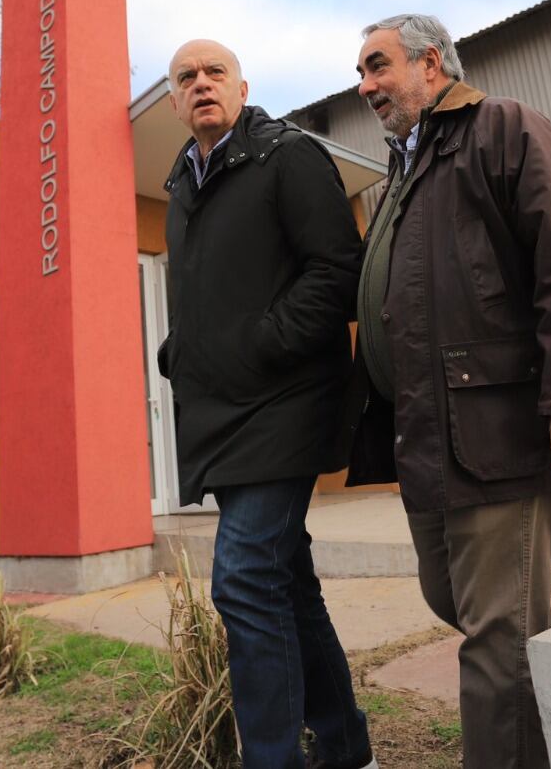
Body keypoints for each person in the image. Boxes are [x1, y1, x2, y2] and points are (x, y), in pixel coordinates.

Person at [347, 13, 551, 767]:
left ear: (431, 64)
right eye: (361, 72)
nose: (365, 86)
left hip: (496, 432)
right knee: (460, 603)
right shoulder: (404, 171)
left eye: (378, 66)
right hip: (427, 437)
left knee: (500, 637)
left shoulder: (501, 129)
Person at [158, 39, 376, 769]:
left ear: (242, 88)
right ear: (174, 102)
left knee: (246, 578)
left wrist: (261, 343)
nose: (201, 84)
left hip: (287, 400)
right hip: (222, 412)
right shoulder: (181, 187)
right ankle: (347, 749)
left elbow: (336, 271)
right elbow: (201, 297)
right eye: (186, 77)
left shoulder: (286, 155)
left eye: (214, 72)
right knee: (286, 582)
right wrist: (179, 352)